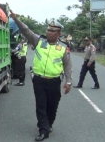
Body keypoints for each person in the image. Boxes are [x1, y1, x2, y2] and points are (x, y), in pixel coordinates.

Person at [10, 11, 72, 141]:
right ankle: (43, 130)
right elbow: (26, 30)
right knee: (41, 105)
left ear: (59, 34)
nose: (49, 32)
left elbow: (67, 66)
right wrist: (16, 19)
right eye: (48, 29)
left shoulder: (63, 48)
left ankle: (49, 123)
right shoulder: (38, 42)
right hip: (39, 80)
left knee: (52, 106)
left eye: (53, 31)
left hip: (54, 82)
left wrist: (69, 82)